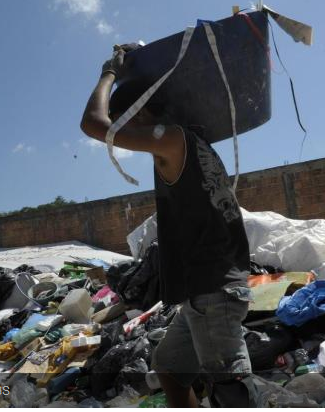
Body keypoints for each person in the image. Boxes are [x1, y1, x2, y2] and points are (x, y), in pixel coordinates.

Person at [80, 46, 257, 408]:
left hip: (214, 290)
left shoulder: (173, 140)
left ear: (141, 111)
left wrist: (108, 73)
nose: (120, 132)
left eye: (123, 120)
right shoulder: (190, 141)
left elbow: (93, 125)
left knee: (230, 389)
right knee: (170, 367)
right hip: (203, 292)